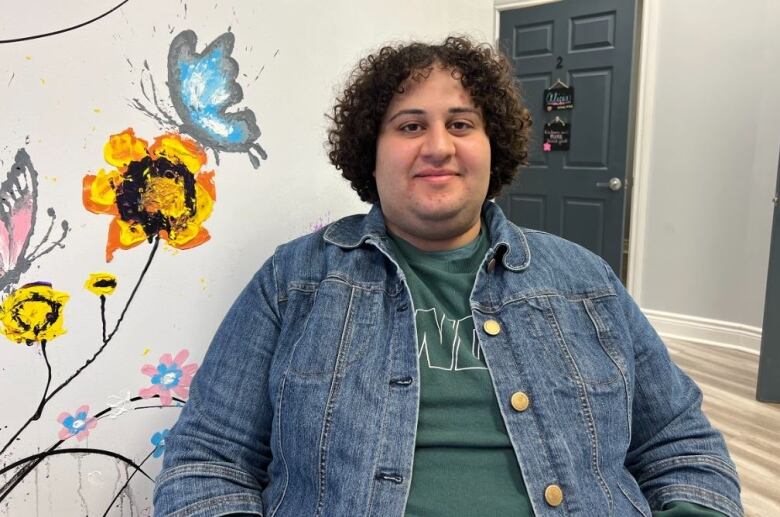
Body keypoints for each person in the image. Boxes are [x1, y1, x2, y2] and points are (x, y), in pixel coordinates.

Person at [153, 37, 742, 516]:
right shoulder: (294, 280)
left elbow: (681, 443)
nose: (438, 146)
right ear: (372, 152)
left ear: (493, 146)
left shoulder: (585, 280)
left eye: (461, 124)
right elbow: (208, 457)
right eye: (410, 127)